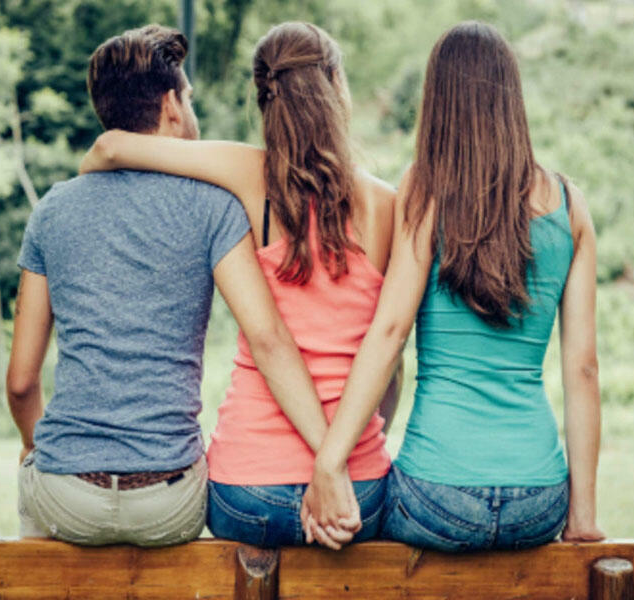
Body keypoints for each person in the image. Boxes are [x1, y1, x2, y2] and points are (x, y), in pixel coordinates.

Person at [80, 21, 399, 549]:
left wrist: (84, 174)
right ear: (336, 87)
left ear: (264, 97)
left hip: (246, 491)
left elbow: (111, 147)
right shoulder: (385, 204)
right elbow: (388, 361)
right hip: (357, 489)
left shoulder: (248, 173)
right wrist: (339, 462)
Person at [8, 24, 330, 547]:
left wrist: (32, 445)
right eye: (190, 98)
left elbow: (22, 382)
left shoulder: (51, 211)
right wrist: (327, 453)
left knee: (34, 489)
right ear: (171, 106)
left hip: (66, 495)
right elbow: (267, 337)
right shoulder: (214, 207)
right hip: (169, 500)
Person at [302, 21, 605, 551]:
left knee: (359, 517)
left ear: (438, 100)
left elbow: (391, 331)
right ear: (511, 98)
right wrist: (582, 515)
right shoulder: (569, 206)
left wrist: (329, 461)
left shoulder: (425, 189)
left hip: (437, 494)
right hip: (538, 501)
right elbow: (583, 369)